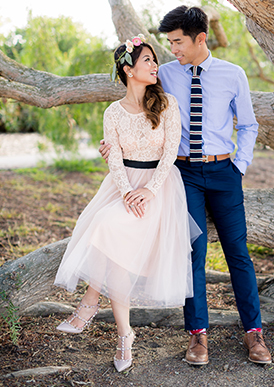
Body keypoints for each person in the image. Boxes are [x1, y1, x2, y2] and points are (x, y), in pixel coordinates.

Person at [99, 6, 270, 365]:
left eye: (177, 42)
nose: (172, 49)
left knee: (237, 252)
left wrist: (239, 166)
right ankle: (197, 336)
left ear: (200, 38)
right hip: (182, 175)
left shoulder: (233, 74)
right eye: (170, 43)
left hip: (224, 172)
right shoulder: (165, 77)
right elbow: (140, 111)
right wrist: (113, 146)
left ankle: (254, 334)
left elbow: (249, 125)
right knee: (193, 251)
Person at [54, 36, 197, 372]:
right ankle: (124, 336)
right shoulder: (113, 112)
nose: (154, 66)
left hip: (159, 188)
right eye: (147, 60)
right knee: (108, 235)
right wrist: (125, 191)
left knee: (108, 232)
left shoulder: (167, 105)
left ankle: (91, 301)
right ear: (128, 69)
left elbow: (170, 153)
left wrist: (149, 191)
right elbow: (114, 159)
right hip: (122, 187)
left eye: (155, 60)